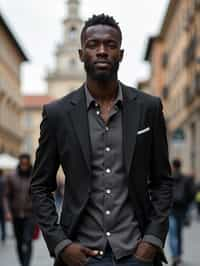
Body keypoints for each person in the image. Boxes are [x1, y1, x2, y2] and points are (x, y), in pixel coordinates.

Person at [31, 14, 173, 266]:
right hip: (80, 255)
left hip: (136, 253)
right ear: (81, 53)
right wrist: (62, 245)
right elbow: (40, 187)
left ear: (121, 53)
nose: (102, 51)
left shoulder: (148, 108)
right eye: (93, 45)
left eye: (110, 45)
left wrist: (152, 239)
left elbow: (162, 181)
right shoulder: (57, 114)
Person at [6, 154, 35, 266]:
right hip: (16, 214)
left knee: (27, 240)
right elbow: (6, 196)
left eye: (26, 164)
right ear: (19, 163)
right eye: (22, 164)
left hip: (30, 215)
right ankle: (22, 263)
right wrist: (8, 211)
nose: (24, 166)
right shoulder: (12, 176)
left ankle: (26, 264)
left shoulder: (34, 176)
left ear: (28, 164)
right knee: (19, 241)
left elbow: (39, 195)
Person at [168, 159, 195, 266]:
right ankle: (178, 254)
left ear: (173, 166)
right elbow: (192, 193)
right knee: (179, 233)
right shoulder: (186, 179)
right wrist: (187, 204)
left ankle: (175, 255)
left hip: (171, 209)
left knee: (173, 233)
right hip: (182, 209)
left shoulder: (169, 178)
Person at [0, 168, 6, 243]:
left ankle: (4, 235)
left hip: (2, 204)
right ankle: (3, 235)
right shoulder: (4, 181)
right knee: (3, 222)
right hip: (2, 205)